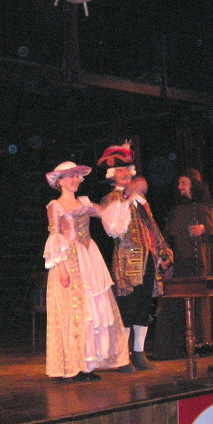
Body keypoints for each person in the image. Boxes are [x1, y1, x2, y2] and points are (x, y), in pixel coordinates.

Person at [43, 161, 130, 380]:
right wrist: (62, 269)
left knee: (92, 312)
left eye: (76, 176)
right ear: (60, 182)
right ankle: (73, 365)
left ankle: (87, 364)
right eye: (70, 176)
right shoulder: (55, 206)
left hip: (89, 258)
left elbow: (108, 213)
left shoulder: (84, 202)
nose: (75, 180)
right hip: (69, 260)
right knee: (73, 311)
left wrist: (126, 196)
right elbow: (55, 237)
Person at [97, 143, 172, 371]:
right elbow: (114, 229)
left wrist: (164, 252)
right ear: (112, 175)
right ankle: (123, 357)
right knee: (127, 308)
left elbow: (152, 227)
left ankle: (139, 353)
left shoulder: (141, 200)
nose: (125, 174)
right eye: (120, 170)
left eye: (127, 170)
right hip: (127, 261)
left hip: (147, 259)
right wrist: (128, 199)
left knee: (144, 307)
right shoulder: (111, 199)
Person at [152, 172, 213, 360]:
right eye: (179, 183)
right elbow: (167, 238)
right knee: (184, 305)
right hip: (184, 267)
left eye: (183, 183)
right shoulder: (177, 211)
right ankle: (185, 345)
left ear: (194, 184)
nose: (180, 187)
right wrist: (167, 258)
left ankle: (209, 342)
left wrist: (207, 228)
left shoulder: (212, 207)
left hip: (207, 267)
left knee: (205, 305)